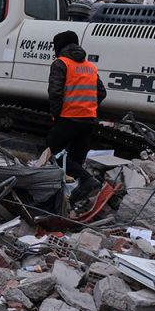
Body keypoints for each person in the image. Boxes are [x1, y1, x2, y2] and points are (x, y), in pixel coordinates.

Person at [47, 29, 107, 206]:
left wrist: (56, 114)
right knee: (75, 157)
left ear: (59, 46)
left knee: (52, 152)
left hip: (68, 118)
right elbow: (102, 92)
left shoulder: (61, 63)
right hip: (88, 120)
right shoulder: (89, 66)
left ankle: (86, 180)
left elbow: (55, 93)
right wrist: (87, 107)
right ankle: (72, 197)